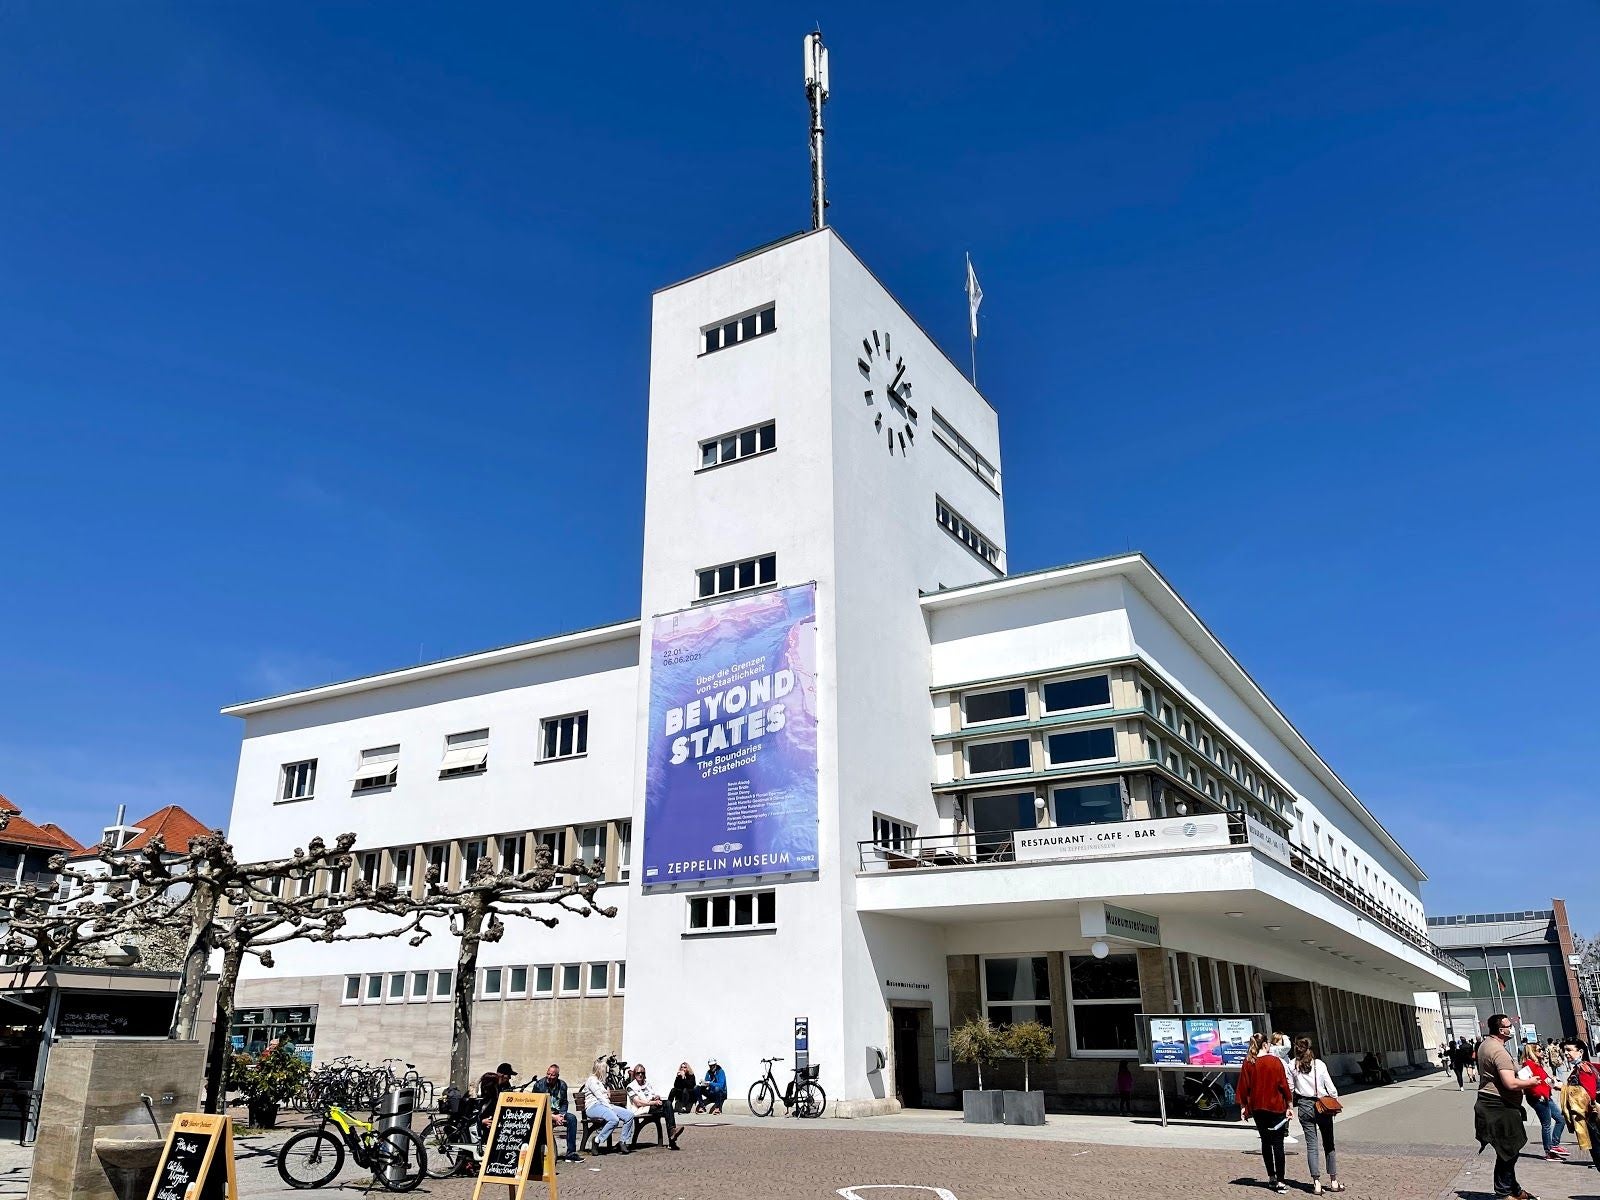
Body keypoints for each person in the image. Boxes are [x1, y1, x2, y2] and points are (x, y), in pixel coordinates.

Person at [1474, 1014, 1542, 1200]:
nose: (1511, 1028)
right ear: (1500, 1030)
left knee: (1508, 1149)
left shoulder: (1486, 1045)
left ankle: (1514, 1190)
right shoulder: (1498, 1051)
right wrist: (1531, 1082)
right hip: (1499, 1105)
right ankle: (1504, 1192)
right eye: (1508, 1025)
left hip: (1494, 1103)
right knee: (1508, 1150)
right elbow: (1510, 1083)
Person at [1238, 1032, 1294, 1194]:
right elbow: (1283, 1085)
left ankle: (1271, 1177)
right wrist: (1289, 1105)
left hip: (1258, 1107)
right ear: (1265, 1045)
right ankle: (1281, 1181)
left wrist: (1243, 1106)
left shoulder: (1249, 1062)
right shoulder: (1275, 1062)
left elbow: (1244, 1085)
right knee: (1278, 1144)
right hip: (1276, 1106)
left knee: (1265, 1142)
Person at [1290, 1037, 1344, 1195]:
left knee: (1311, 1145)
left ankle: (1317, 1183)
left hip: (1304, 1105)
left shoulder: (1292, 1065)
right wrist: (1334, 1100)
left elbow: (1290, 1087)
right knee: (1329, 1142)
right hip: (1322, 1105)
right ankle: (1333, 1181)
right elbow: (1331, 1088)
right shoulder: (1319, 1064)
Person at [1559, 1039, 1600, 1171]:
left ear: (1580, 1052)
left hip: (1591, 1118)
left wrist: (1563, 1088)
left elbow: (1589, 1094)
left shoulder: (1583, 1068)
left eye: (1569, 1050)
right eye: (1565, 1050)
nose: (1566, 1053)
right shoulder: (1583, 1067)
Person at [1521, 1043, 1567, 1160]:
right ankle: (1549, 1151)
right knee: (1546, 1124)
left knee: (1560, 1119)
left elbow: (1544, 1079)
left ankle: (1554, 1145)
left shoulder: (1538, 1065)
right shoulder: (1528, 1065)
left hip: (1546, 1096)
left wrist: (1553, 1082)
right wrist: (1539, 1094)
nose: (1542, 1052)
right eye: (1539, 1050)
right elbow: (1528, 1083)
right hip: (1538, 1098)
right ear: (1532, 1052)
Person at [531, 1063, 583, 1164]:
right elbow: (537, 1106)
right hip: (544, 1114)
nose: (549, 1077)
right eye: (548, 1074)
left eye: (552, 1075)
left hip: (558, 1113)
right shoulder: (539, 1085)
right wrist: (553, 1117)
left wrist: (562, 1115)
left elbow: (564, 1102)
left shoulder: (562, 1085)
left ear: (557, 1076)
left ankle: (571, 1153)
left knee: (572, 1119)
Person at [580, 1056, 633, 1154]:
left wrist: (608, 1099)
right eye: (605, 1070)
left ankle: (623, 1141)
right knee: (614, 1119)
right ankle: (597, 1140)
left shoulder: (601, 1082)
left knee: (629, 1115)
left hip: (605, 1106)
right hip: (594, 1107)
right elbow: (599, 1097)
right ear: (600, 1070)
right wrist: (610, 1108)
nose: (607, 1072)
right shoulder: (592, 1080)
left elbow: (605, 1097)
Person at [626, 1064, 684, 1150]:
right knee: (667, 1109)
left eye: (642, 1073)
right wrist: (654, 1102)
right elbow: (638, 1103)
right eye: (638, 1073)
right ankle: (672, 1139)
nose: (640, 1075)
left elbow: (652, 1095)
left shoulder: (647, 1084)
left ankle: (672, 1133)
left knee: (668, 1103)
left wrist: (656, 1097)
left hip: (651, 1107)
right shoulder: (630, 1087)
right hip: (640, 1109)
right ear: (634, 1074)